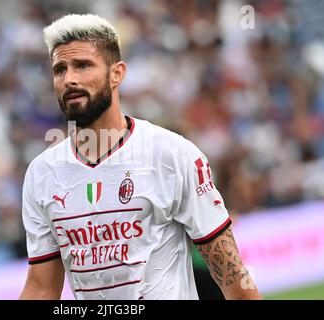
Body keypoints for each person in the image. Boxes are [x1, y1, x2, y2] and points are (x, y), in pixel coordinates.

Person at [19, 13, 261, 300]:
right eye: (60, 69)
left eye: (83, 65)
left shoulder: (171, 154)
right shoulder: (41, 173)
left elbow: (232, 274)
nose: (69, 79)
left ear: (116, 73)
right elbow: (41, 287)